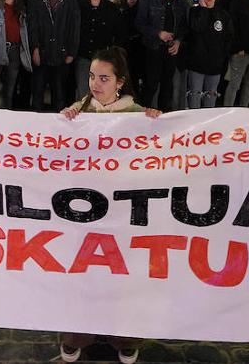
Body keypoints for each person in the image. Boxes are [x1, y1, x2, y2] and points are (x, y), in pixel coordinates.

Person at [58, 46, 160, 364]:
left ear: (120, 82)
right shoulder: (80, 111)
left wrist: (159, 125)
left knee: (121, 274)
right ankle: (79, 334)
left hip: (121, 212)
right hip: (83, 212)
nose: (95, 83)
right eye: (91, 76)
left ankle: (124, 337)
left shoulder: (136, 114)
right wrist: (63, 123)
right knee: (83, 273)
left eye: (104, 78)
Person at [27, 0, 81, 112]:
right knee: (37, 92)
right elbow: (32, 27)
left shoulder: (69, 0)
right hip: (42, 51)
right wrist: (35, 49)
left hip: (61, 52)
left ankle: (59, 131)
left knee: (59, 94)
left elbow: (74, 28)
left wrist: (71, 52)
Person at [134, 0, 189, 111]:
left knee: (167, 85)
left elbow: (184, 26)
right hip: (153, 48)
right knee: (150, 85)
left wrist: (178, 41)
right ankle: (144, 115)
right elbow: (139, 23)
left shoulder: (181, 2)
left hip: (171, 50)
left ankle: (165, 117)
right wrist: (158, 33)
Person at [184, 0, 232, 108]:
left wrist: (222, 59)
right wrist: (204, 10)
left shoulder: (223, 15)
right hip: (197, 64)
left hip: (215, 65)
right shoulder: (194, 13)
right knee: (195, 97)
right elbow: (198, 28)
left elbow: (227, 39)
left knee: (210, 99)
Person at [74, 0, 120, 100]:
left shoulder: (112, 8)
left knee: (103, 93)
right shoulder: (79, 6)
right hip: (83, 56)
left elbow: (118, 33)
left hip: (104, 57)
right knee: (83, 93)